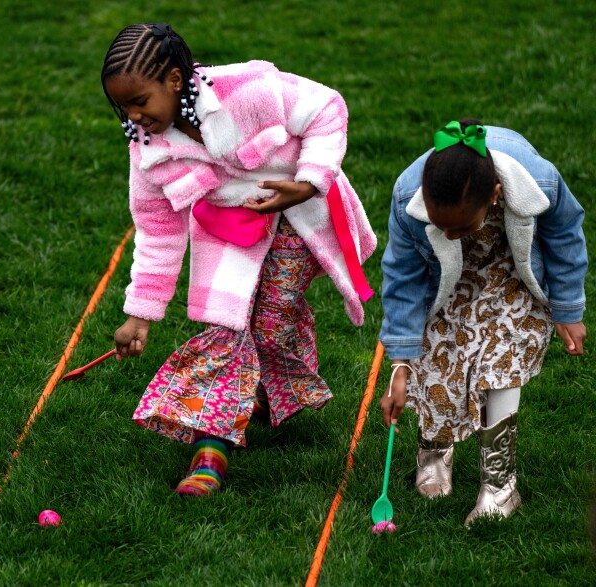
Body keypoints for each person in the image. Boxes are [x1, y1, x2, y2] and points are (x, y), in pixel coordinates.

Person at [102, 22, 376, 496]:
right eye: (121, 106)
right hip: (229, 231)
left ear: (173, 79)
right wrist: (140, 314)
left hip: (298, 217)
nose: (132, 117)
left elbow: (327, 107)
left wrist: (309, 181)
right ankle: (211, 449)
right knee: (229, 330)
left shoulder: (246, 92)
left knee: (269, 323)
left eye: (139, 102)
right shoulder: (148, 151)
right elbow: (157, 231)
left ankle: (254, 392)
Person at [379, 120, 587, 525]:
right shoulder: (409, 198)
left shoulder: (539, 181)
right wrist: (400, 364)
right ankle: (435, 449)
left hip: (512, 274)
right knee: (440, 356)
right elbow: (403, 277)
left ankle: (499, 486)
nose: (449, 233)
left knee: (502, 362)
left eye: (459, 226)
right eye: (441, 226)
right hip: (449, 281)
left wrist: (568, 309)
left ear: (494, 196)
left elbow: (564, 236)